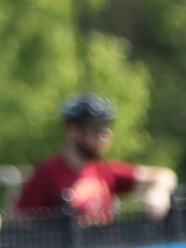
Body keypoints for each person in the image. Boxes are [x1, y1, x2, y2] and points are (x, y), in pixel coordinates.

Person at [15, 93, 176, 225]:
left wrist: (159, 192)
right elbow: (20, 221)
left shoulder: (105, 171)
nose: (105, 135)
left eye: (106, 128)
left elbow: (164, 175)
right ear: (73, 131)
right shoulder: (48, 173)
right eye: (96, 129)